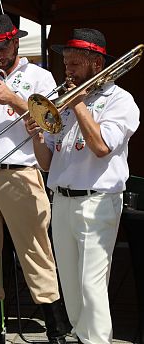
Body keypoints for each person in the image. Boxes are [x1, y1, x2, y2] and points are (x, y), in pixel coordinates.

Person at [0, 14, 69, 344]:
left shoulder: (40, 76)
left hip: (21, 172)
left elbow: (52, 123)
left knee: (36, 252)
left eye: (1, 48)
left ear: (15, 43)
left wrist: (15, 100)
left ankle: (56, 330)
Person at [25, 28, 140, 344]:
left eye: (75, 64)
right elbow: (47, 162)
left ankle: (97, 340)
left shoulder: (121, 101)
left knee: (91, 284)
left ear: (96, 63)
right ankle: (83, 336)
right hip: (61, 200)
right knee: (72, 288)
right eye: (66, 64)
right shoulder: (64, 102)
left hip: (97, 200)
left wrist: (78, 105)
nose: (68, 71)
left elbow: (102, 147)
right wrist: (36, 135)